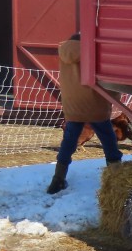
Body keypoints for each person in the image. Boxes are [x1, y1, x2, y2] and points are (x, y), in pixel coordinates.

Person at [47, 33, 123, 194]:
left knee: (69, 141)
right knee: (108, 138)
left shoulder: (65, 50)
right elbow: (107, 77)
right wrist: (115, 96)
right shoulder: (94, 50)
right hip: (95, 102)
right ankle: (117, 178)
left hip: (73, 103)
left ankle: (57, 179)